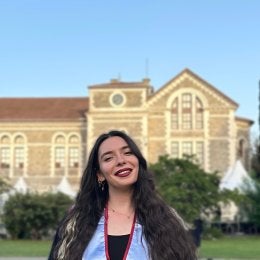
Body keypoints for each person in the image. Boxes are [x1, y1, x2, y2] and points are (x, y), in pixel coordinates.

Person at [48, 130, 197, 260]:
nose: (121, 161)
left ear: (137, 161)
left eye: (127, 153)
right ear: (100, 174)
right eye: (108, 158)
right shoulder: (75, 224)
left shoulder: (166, 220)